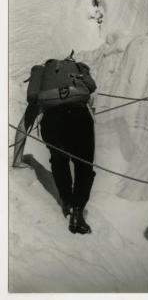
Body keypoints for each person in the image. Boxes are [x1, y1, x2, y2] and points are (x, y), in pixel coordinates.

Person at [28, 54, 98, 234]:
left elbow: (32, 97)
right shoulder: (76, 68)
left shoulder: (42, 72)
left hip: (52, 119)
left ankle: (67, 202)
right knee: (84, 164)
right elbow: (91, 86)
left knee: (59, 160)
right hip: (79, 116)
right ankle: (77, 212)